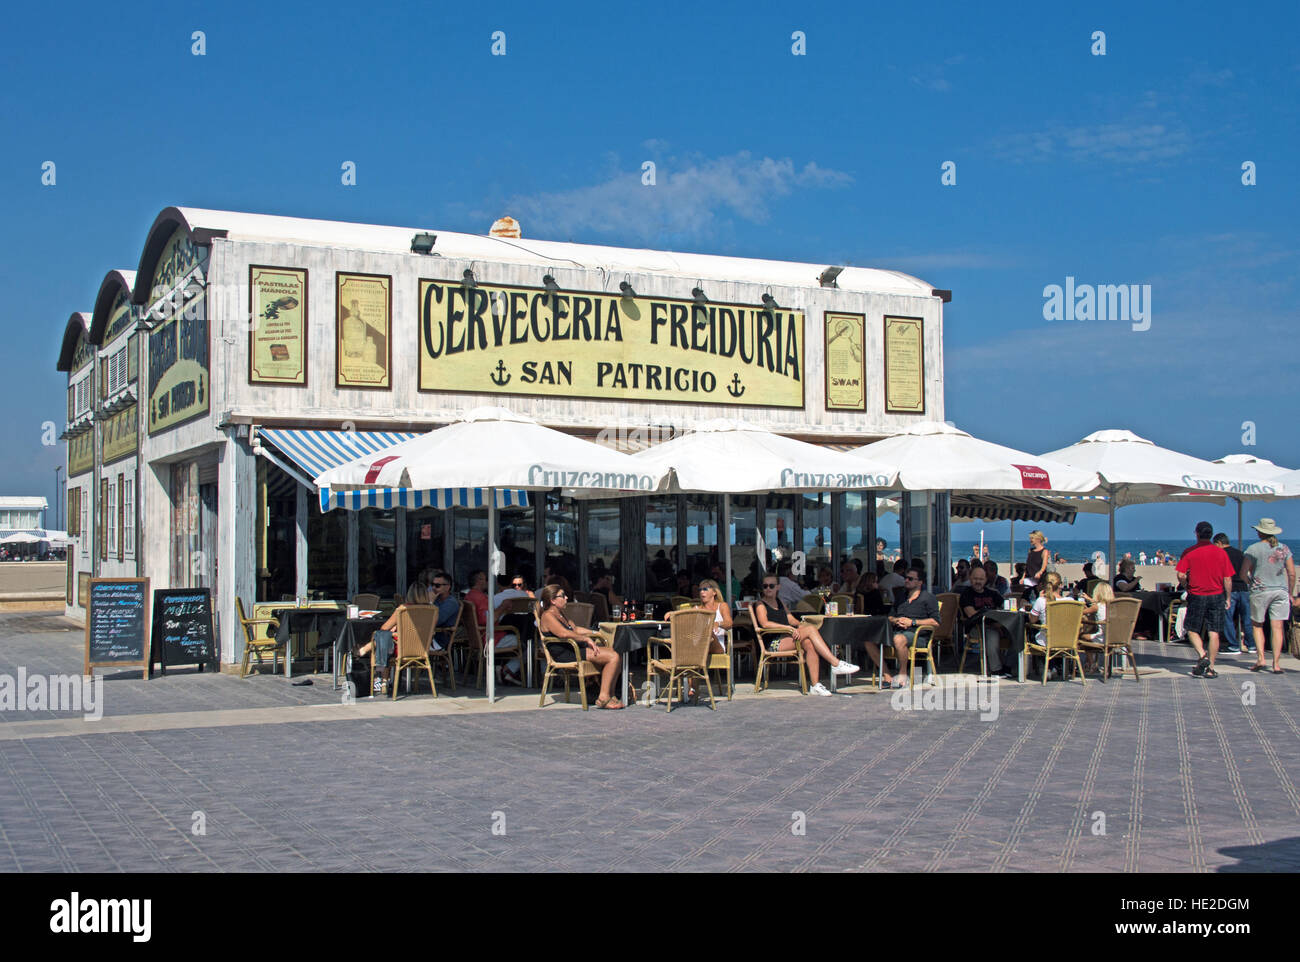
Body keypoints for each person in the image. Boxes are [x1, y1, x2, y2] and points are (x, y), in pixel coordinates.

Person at [752, 575, 858, 696]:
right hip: (772, 642)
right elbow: (764, 624)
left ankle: (815, 685)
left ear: (778, 587)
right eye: (765, 586)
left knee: (809, 644)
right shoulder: (760, 604)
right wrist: (788, 628)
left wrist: (799, 625)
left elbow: (790, 619)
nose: (768, 589)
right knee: (811, 629)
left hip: (786, 637)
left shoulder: (780, 602)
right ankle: (835, 663)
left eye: (771, 586)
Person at [536, 584, 624, 709]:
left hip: (574, 648)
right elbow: (563, 633)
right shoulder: (548, 616)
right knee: (613, 657)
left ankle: (611, 694)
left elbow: (575, 629)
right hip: (565, 653)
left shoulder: (560, 614)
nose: (566, 598)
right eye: (562, 596)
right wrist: (586, 639)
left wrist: (595, 633)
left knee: (616, 653)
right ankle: (603, 697)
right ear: (553, 600)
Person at [1175, 521, 1235, 679]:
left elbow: (1180, 574)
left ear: (1196, 533)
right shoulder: (1221, 553)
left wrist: (1186, 585)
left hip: (1197, 594)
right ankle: (1211, 668)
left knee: (1191, 628)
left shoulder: (1189, 552)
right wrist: (1228, 597)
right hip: (1216, 594)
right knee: (1214, 631)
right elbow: (1228, 578)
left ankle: (1203, 656)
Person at [865, 567, 939, 689]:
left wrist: (913, 622)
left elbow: (935, 621)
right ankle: (887, 675)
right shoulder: (901, 597)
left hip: (918, 634)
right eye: (906, 578)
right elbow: (890, 617)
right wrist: (896, 620)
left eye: (910, 579)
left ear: (920, 582)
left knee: (899, 639)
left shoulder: (928, 598)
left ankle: (903, 674)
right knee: (869, 640)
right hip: (898, 630)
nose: (906, 580)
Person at [1244, 519, 1295, 674]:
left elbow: (1243, 572)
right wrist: (1290, 593)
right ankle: (1277, 663)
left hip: (1260, 590)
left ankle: (1261, 659)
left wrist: (1251, 583)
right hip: (1280, 591)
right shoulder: (1284, 549)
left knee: (1257, 625)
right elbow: (1292, 573)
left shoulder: (1253, 549)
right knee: (1277, 627)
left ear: (1260, 532)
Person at [960, 565, 1010, 677]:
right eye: (975, 578)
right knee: (992, 633)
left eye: (981, 579)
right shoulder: (966, 594)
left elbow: (1005, 607)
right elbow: (971, 614)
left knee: (1017, 632)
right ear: (970, 578)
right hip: (976, 627)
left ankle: (1011, 666)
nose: (978, 581)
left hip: (996, 624)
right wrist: (995, 622)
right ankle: (996, 670)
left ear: (986, 580)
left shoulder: (993, 593)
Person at [1212, 533, 1252, 655]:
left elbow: (1221, 574)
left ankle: (1233, 645)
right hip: (1244, 588)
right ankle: (1252, 645)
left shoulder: (1220, 554)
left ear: (1219, 543)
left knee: (1227, 617)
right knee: (1247, 618)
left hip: (1230, 589)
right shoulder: (1240, 553)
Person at [696, 579, 732, 657]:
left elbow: (729, 623)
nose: (702, 592)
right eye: (700, 590)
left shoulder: (722, 606)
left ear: (714, 592)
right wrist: (672, 613)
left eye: (705, 589)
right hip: (698, 645)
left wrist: (717, 623)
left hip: (717, 645)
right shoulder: (696, 609)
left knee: (708, 632)